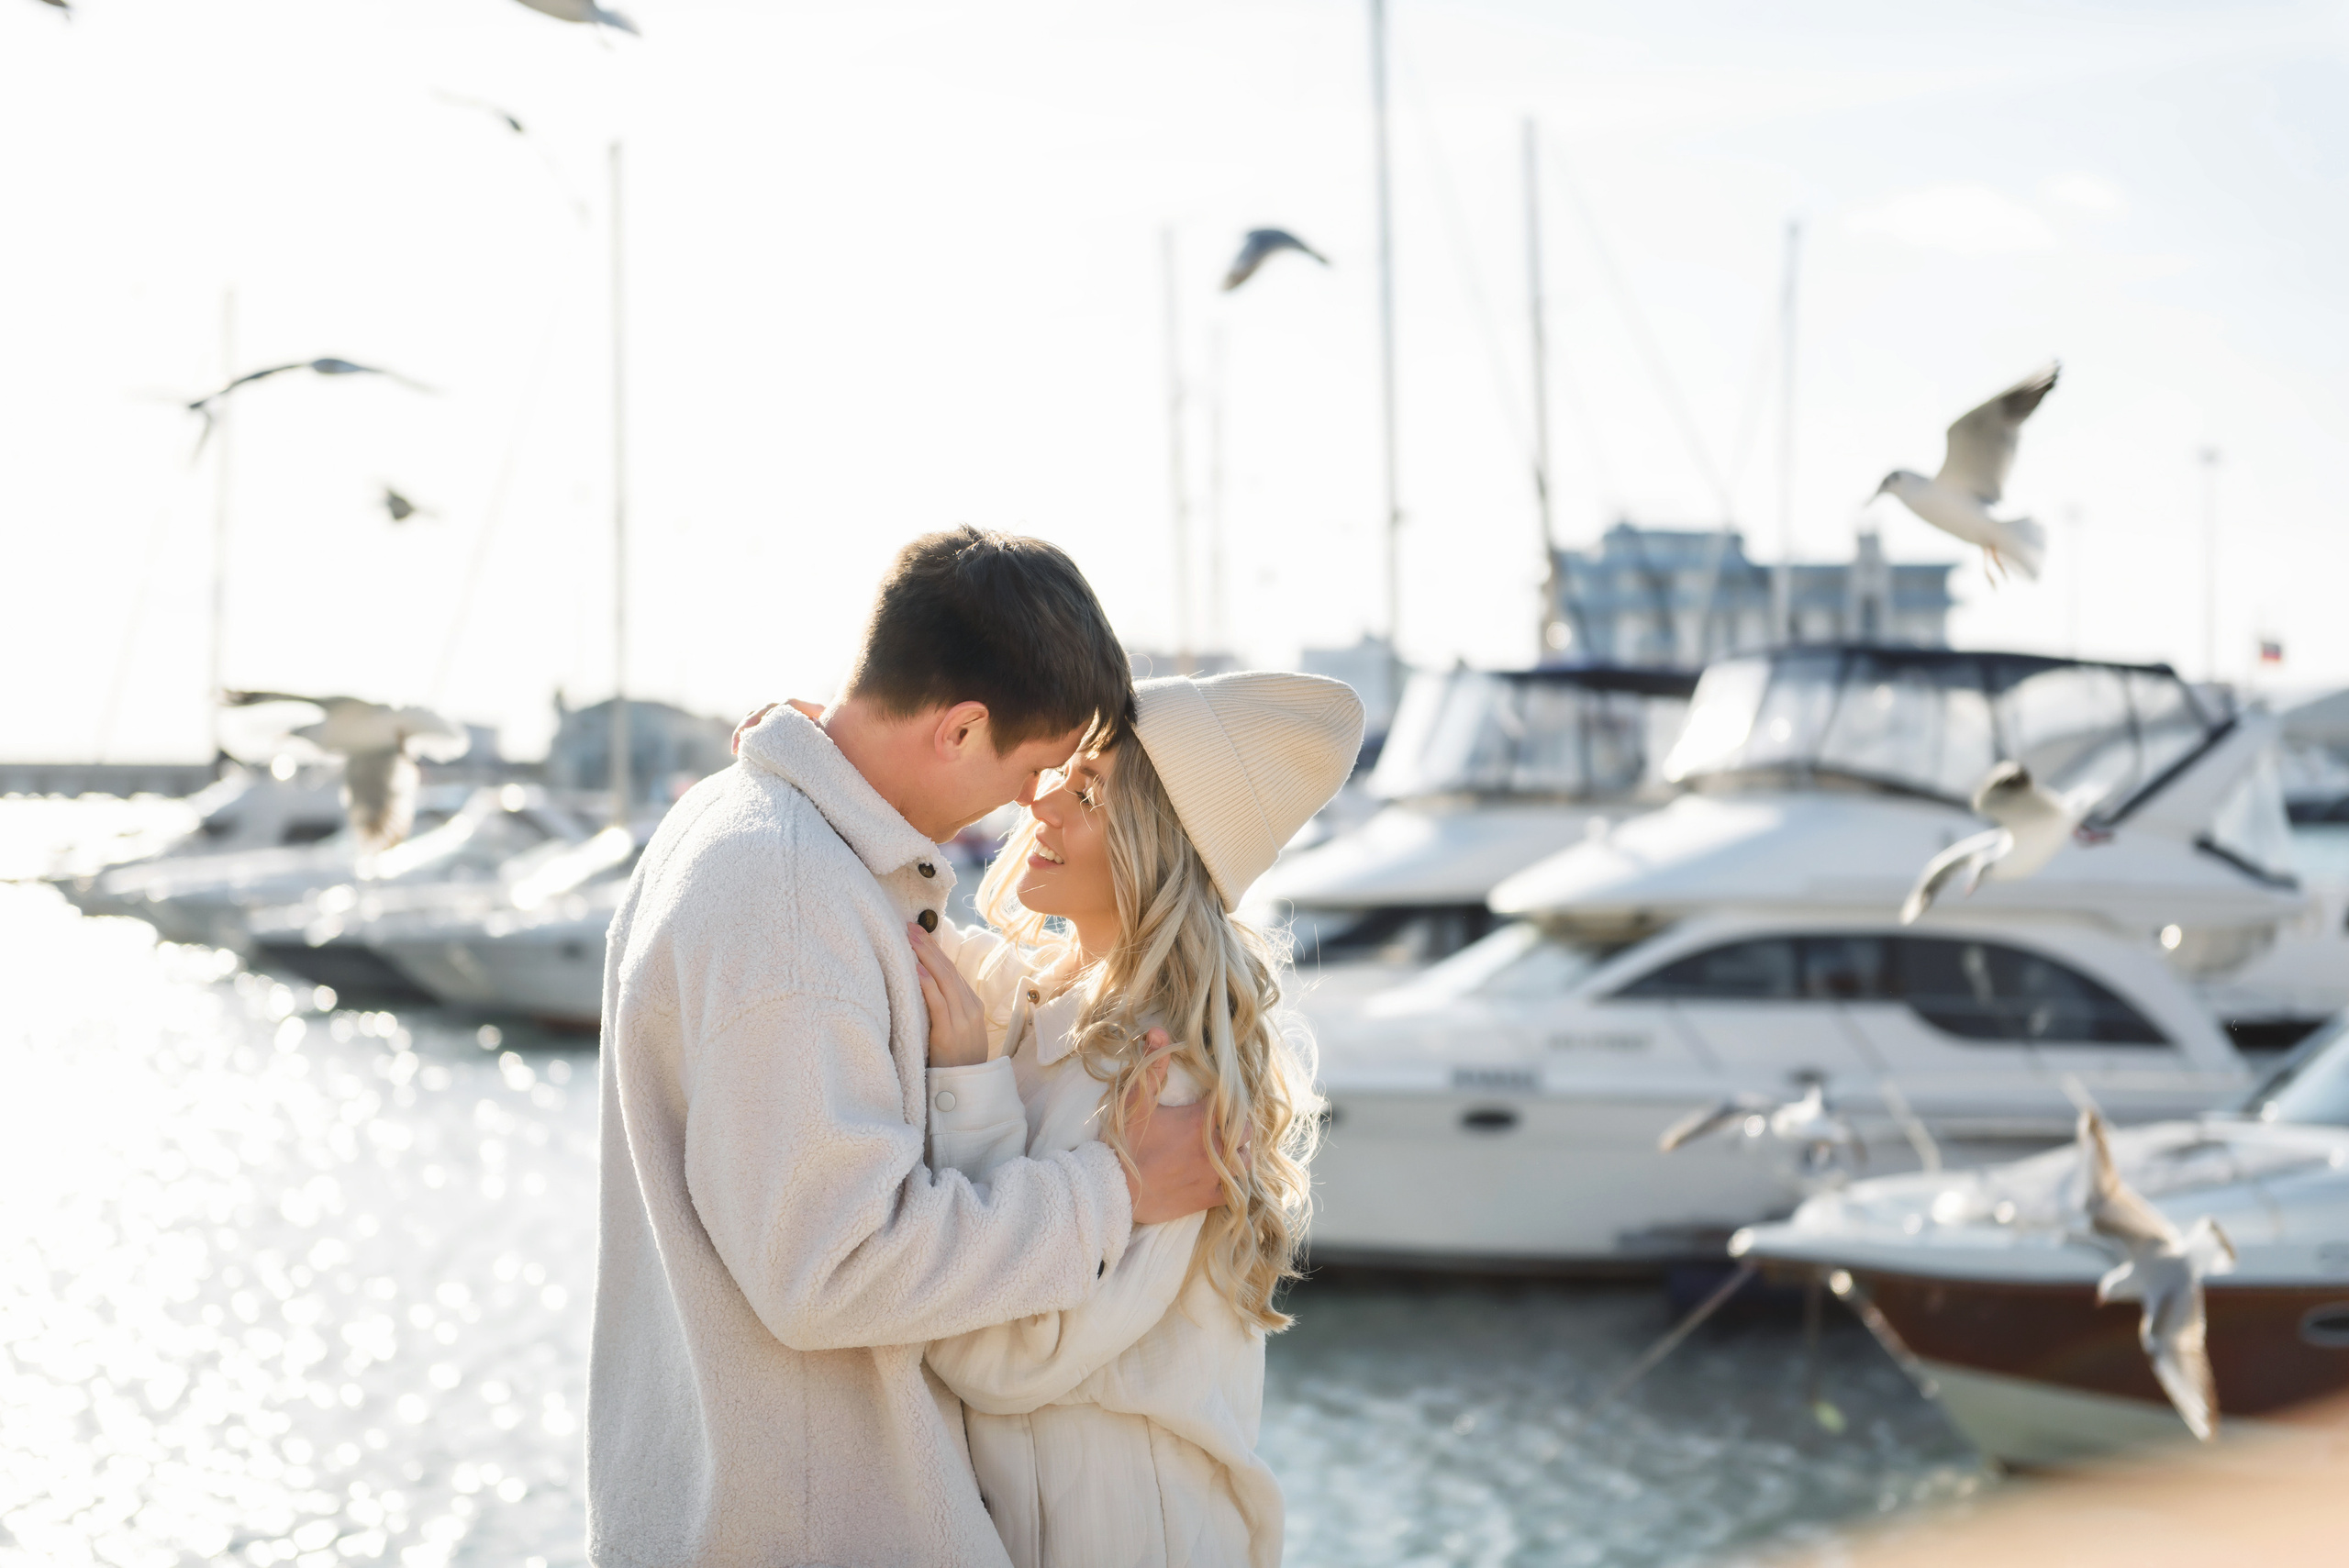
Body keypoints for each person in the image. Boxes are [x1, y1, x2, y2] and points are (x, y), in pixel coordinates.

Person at [586, 528, 1230, 1568]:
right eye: (1033, 768)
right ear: (964, 726)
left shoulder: (749, 832)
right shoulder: (791, 896)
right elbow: (832, 1265)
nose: (1031, 804)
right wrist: (1112, 1190)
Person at [907, 670, 1366, 1568]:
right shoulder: (1028, 995)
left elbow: (1001, 1357)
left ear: (1158, 843)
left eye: (1086, 789)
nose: (1038, 798)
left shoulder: (1169, 1071)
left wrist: (963, 1086)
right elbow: (895, 915)